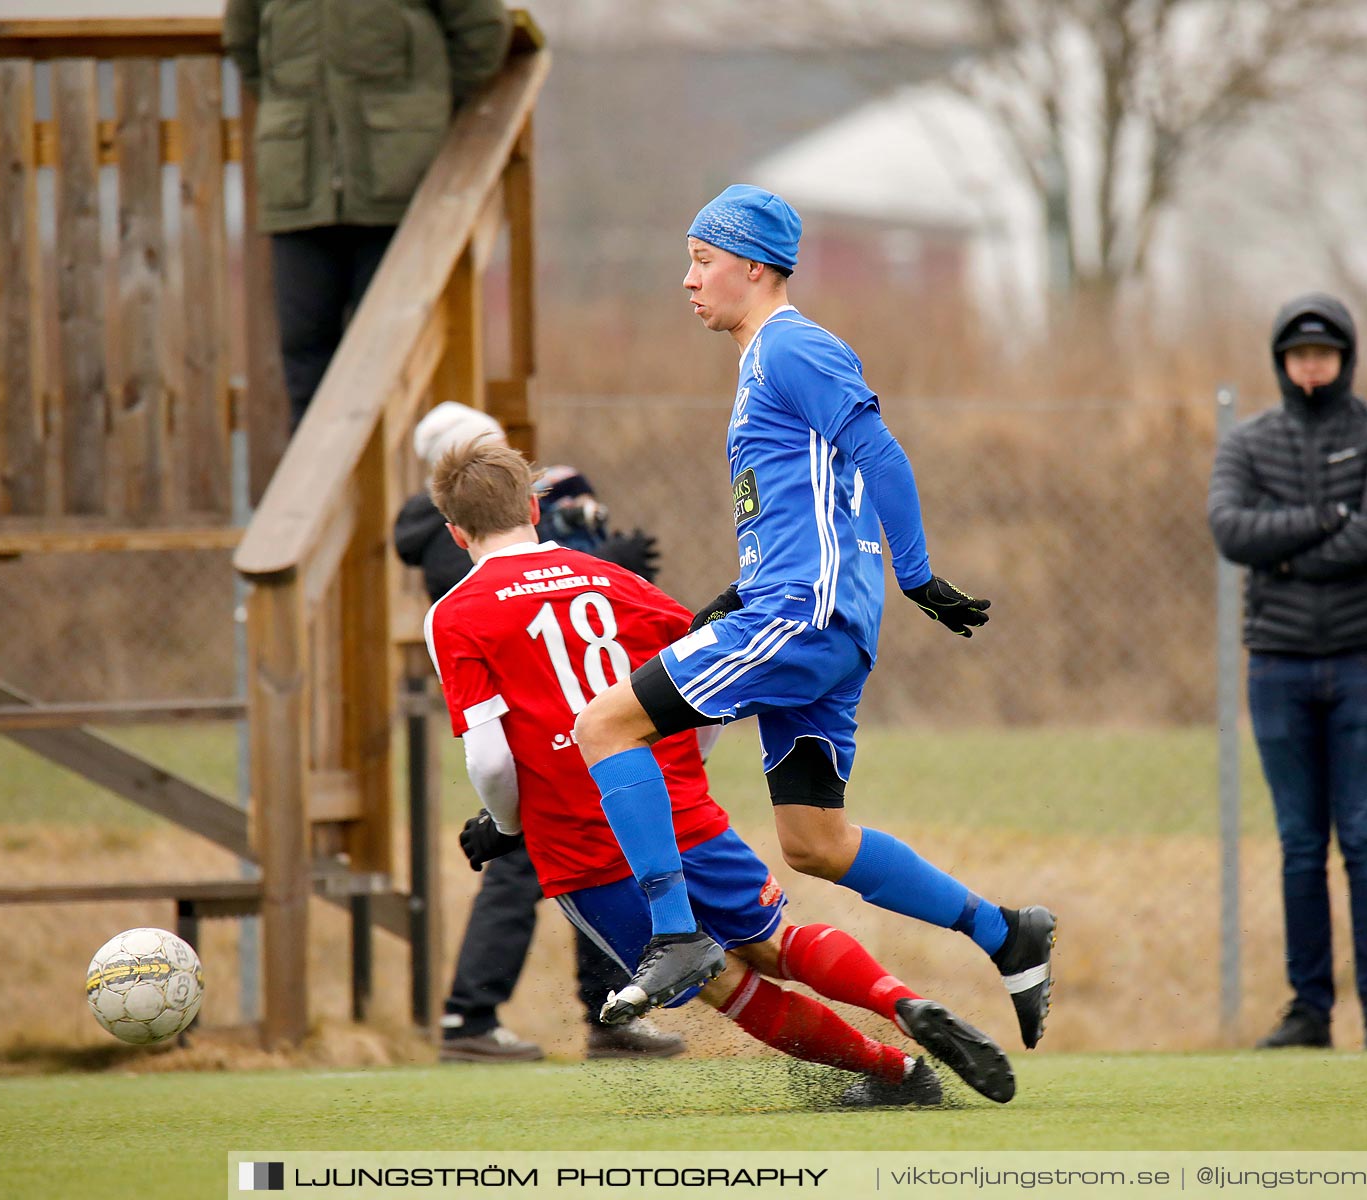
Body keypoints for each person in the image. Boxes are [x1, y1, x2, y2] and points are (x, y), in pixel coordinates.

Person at [567, 185, 1056, 1048]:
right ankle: (1005, 932)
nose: (688, 280)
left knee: (604, 724)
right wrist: (741, 591)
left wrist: (916, 574)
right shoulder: (765, 358)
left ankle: (676, 937)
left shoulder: (792, 346)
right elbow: (808, 505)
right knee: (815, 842)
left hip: (806, 616)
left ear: (753, 267)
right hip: (805, 614)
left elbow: (880, 451)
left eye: (702, 260)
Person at [425, 438, 1017, 1105]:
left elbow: (490, 759)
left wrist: (506, 825)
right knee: (775, 943)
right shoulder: (618, 581)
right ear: (534, 507)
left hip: (585, 843)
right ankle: (900, 1000)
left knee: (727, 984)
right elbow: (704, 689)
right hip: (678, 810)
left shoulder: (454, 614)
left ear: (455, 530)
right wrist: (682, 770)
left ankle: (897, 1074)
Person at [394, 402, 679, 1062]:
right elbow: (527, 602)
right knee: (519, 871)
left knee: (601, 860)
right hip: (532, 734)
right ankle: (470, 1017)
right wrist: (607, 560)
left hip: (560, 724)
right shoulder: (455, 538)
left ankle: (610, 1012)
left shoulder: (459, 520)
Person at [1207, 293, 1367, 1051]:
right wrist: (1330, 518)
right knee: (1300, 844)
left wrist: (1287, 546)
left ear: (1345, 357)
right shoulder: (1251, 442)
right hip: (1280, 669)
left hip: (1364, 664)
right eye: (1298, 355)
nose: (1311, 366)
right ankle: (1310, 1012)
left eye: (1324, 353)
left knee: (1364, 836)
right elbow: (1232, 529)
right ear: (1281, 361)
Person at [223, 0, 511, 427]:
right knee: (305, 355)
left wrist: (421, 106)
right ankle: (320, 489)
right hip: (300, 189)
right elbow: (244, 42)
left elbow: (483, 31)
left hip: (398, 190)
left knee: (390, 355)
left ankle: (403, 488)